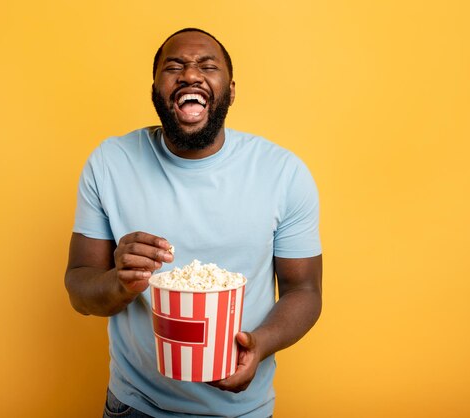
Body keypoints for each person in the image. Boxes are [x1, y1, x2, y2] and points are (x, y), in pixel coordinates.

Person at [65, 28, 323, 418]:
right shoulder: (110, 163)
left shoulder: (283, 173)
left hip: (242, 411)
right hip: (135, 406)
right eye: (174, 67)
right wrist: (119, 282)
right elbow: (80, 288)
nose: (189, 75)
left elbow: (304, 289)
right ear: (155, 89)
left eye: (207, 66)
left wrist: (259, 344)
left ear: (230, 90)